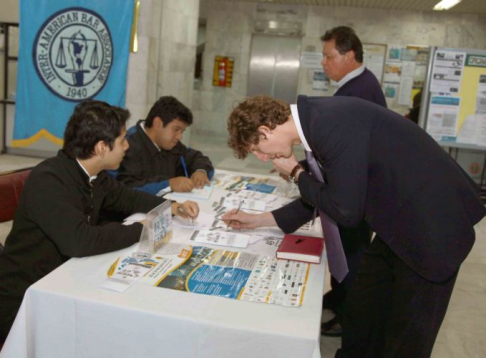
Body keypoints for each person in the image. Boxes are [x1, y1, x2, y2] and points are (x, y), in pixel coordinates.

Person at [222, 95, 485, 357]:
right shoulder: (314, 120)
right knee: (363, 312)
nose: (263, 158)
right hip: (397, 222)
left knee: (406, 337)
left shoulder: (329, 125)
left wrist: (296, 173)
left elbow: (345, 211)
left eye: (257, 149)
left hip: (432, 228)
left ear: (265, 131)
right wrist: (259, 219)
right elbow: (325, 191)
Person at [0, 100, 199, 341]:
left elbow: (128, 197)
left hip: (65, 277)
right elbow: (80, 241)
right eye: (123, 140)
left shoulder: (93, 175)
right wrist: (142, 229)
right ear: (102, 147)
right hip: (26, 297)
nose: (127, 146)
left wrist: (172, 208)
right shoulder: (49, 180)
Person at [319, 25, 388, 337]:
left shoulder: (357, 90)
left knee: (351, 254)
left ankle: (350, 318)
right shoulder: (357, 83)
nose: (323, 62)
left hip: (358, 191)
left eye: (328, 56)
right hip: (357, 186)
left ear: (348, 56)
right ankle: (339, 297)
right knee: (342, 249)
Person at [117, 96, 214, 195]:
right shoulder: (127, 146)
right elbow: (125, 189)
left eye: (182, 131)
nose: (180, 136)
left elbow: (196, 157)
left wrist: (201, 171)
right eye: (176, 129)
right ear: (157, 123)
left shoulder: (171, 144)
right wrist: (168, 184)